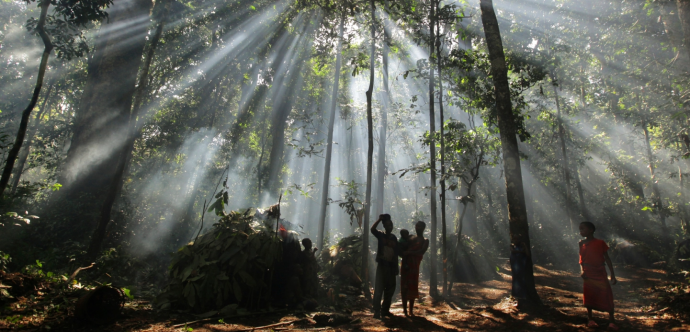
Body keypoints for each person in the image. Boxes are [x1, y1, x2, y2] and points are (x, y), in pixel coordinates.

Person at [579, 221, 618, 330]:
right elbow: (581, 260)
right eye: (580, 230)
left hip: (600, 272)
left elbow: (607, 259)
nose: (581, 231)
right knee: (589, 294)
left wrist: (612, 275)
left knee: (606, 294)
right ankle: (590, 319)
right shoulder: (581, 243)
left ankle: (611, 320)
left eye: (583, 229)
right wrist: (582, 271)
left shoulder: (600, 243)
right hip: (588, 272)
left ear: (591, 230)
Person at [371, 214, 398, 319]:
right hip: (382, 265)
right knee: (379, 289)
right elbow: (372, 229)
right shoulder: (381, 235)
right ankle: (377, 311)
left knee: (390, 289)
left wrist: (396, 267)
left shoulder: (394, 238)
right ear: (384, 227)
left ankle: (385, 310)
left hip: (391, 266)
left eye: (390, 225)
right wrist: (379, 219)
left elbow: (395, 253)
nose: (389, 227)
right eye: (387, 225)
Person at [400, 221, 429, 317]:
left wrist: (409, 253)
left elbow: (421, 251)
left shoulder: (425, 240)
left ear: (423, 228)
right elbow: (402, 245)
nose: (417, 228)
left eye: (419, 226)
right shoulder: (410, 237)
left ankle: (410, 311)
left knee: (412, 286)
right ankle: (404, 310)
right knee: (404, 285)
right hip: (405, 263)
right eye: (416, 226)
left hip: (414, 265)